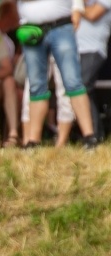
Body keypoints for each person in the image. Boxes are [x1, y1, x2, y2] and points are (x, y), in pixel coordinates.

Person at [16, 0, 97, 149]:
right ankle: (33, 140)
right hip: (31, 29)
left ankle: (89, 136)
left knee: (73, 82)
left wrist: (77, 9)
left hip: (61, 25)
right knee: (36, 86)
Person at [77, 0, 111, 140]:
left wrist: (76, 6)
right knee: (83, 90)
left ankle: (93, 134)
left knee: (82, 88)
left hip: (93, 48)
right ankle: (95, 133)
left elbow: (92, 14)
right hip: (77, 49)